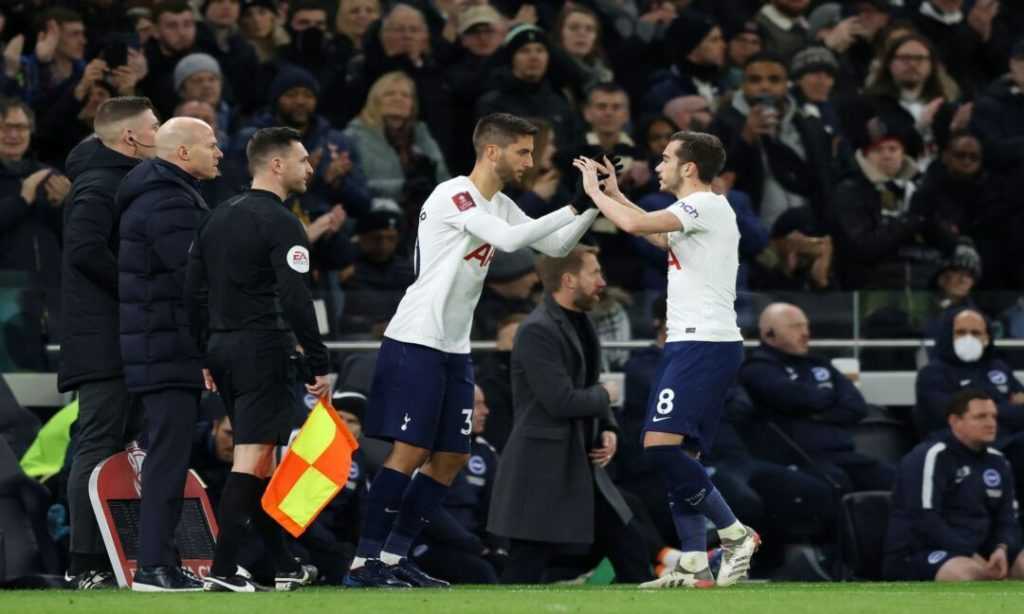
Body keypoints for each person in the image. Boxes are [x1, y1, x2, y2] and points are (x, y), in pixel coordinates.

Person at [344, 113, 600, 588]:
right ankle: (365, 562)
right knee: (411, 450)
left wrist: (590, 203)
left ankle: (396, 557)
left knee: (451, 457)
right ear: (491, 151)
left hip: (453, 346)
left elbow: (556, 243)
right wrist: (573, 206)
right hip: (417, 336)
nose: (529, 160)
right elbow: (506, 241)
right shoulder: (454, 194)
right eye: (522, 151)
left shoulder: (498, 203)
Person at [572, 131, 757, 589]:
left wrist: (595, 196)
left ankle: (735, 533)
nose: (658, 166)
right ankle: (694, 564)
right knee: (682, 455)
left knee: (659, 447)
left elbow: (637, 228)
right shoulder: (699, 214)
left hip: (703, 343)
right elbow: (656, 236)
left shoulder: (706, 204)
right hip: (695, 343)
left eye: (666, 158)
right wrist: (616, 194)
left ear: (689, 168)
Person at [185, 126, 330, 592]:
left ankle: (282, 562)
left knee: (261, 456)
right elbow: (295, 296)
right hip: (263, 346)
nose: (310, 168)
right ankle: (224, 569)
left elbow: (193, 292)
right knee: (252, 457)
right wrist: (318, 359)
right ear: (276, 165)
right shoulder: (283, 222)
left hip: (224, 349)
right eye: (303, 159)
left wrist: (203, 350)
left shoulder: (216, 216)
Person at [488, 246, 653, 584]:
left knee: (629, 542)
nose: (602, 282)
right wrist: (605, 395)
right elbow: (560, 400)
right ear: (568, 280)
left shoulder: (580, 322)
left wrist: (607, 426)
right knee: (528, 557)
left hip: (579, 457)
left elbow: (585, 386)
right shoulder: (537, 330)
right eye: (594, 273)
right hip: (544, 461)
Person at [117, 117, 222, 592]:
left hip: (161, 347)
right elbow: (193, 279)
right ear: (182, 154)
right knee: (167, 459)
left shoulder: (167, 196)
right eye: (211, 144)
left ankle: (163, 561)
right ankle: (154, 567)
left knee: (169, 457)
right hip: (166, 350)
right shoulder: (168, 203)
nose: (219, 151)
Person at [58, 96, 159, 590]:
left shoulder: (119, 182)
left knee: (120, 446)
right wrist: (139, 287)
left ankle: (118, 558)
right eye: (155, 127)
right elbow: (82, 251)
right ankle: (84, 564)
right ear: (131, 137)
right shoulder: (99, 186)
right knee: (97, 445)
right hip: (104, 342)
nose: (161, 134)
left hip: (123, 336)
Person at [741, 303, 893, 493]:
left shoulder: (819, 363)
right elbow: (794, 397)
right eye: (795, 326)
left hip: (842, 453)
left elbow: (856, 406)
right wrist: (829, 398)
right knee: (835, 484)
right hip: (799, 458)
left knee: (896, 480)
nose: (805, 333)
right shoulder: (757, 368)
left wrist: (814, 414)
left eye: (806, 326)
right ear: (768, 334)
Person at [883, 390, 1024, 582]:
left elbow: (1007, 519)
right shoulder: (931, 456)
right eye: (980, 417)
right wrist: (972, 556)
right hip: (919, 551)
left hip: (979, 550)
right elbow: (925, 520)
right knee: (970, 574)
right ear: (955, 421)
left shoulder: (998, 462)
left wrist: (1001, 548)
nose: (991, 423)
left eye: (993, 416)